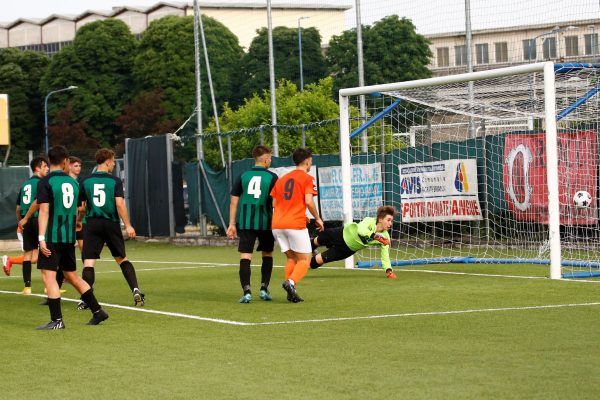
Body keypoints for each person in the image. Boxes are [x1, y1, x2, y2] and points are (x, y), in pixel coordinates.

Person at [36, 145, 108, 329]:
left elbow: (44, 211)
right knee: (72, 275)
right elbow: (79, 210)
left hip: (52, 237)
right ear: (65, 161)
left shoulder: (46, 182)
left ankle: (57, 320)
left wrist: (41, 237)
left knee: (49, 277)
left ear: (50, 161)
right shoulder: (74, 183)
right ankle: (98, 311)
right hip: (68, 237)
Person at [77, 148, 144, 309]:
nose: (114, 164)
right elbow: (120, 204)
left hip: (92, 224)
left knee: (89, 262)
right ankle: (135, 289)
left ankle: (86, 298)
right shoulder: (115, 181)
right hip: (111, 223)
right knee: (122, 258)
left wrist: (79, 221)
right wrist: (128, 225)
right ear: (107, 161)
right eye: (113, 161)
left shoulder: (85, 181)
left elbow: (81, 208)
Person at [270, 148, 324, 303]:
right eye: (311, 161)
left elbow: (274, 202)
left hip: (277, 224)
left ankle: (291, 292)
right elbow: (308, 201)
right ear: (307, 161)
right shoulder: (307, 178)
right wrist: (317, 218)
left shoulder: (282, 179)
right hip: (294, 224)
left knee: (292, 258)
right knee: (305, 260)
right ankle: (291, 283)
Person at [226, 145, 279, 303]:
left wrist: (231, 224)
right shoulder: (272, 177)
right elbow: (276, 203)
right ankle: (264, 288)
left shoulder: (243, 175)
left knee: (245, 256)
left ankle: (247, 291)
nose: (270, 160)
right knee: (267, 254)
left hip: (246, 222)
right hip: (266, 222)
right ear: (264, 159)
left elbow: (233, 203)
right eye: (269, 158)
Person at [2, 157, 49, 295]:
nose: (47, 168)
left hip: (26, 222)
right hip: (38, 220)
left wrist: (20, 222)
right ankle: (48, 286)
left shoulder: (25, 185)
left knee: (28, 254)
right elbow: (40, 202)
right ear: (37, 168)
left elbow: (17, 208)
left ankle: (27, 287)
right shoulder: (42, 183)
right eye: (45, 166)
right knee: (45, 252)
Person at [310, 206, 397, 279]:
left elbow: (385, 255)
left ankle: (303, 262)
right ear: (381, 219)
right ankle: (306, 251)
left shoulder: (385, 237)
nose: (390, 223)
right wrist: (376, 237)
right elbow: (361, 231)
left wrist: (388, 270)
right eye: (388, 220)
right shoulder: (369, 220)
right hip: (341, 233)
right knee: (317, 241)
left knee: (316, 262)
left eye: (391, 221)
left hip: (347, 250)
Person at [69, 156, 85, 251]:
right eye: (75, 165)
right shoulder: (67, 182)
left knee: (84, 248)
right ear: (69, 166)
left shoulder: (80, 182)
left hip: (81, 219)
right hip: (69, 219)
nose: (78, 167)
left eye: (79, 165)